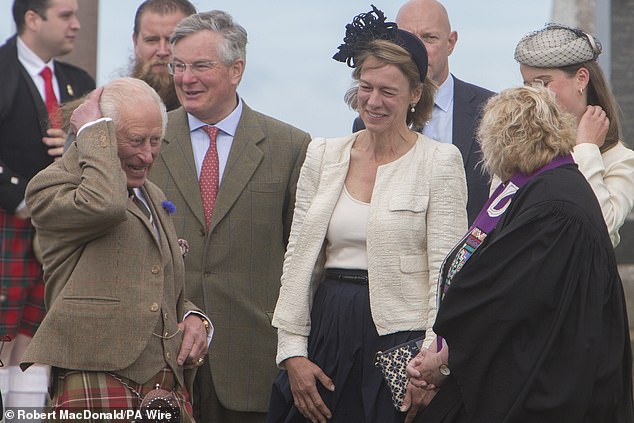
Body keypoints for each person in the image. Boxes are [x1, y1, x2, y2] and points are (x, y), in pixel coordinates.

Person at [268, 6, 467, 423]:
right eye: (366, 87)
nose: (373, 102)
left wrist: (432, 361)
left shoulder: (440, 161)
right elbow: (298, 259)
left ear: (415, 94)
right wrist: (292, 352)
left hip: (401, 347)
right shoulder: (323, 155)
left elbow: (449, 273)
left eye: (388, 91)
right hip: (327, 332)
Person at [404, 86, 634, 423]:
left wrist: (446, 359)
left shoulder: (552, 206)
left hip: (542, 391)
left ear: (502, 141)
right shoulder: (548, 189)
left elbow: (500, 298)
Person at [148, 10, 311, 423]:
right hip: (159, 364)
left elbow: (307, 260)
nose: (185, 78)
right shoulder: (147, 141)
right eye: (178, 66)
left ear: (236, 69)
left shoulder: (290, 146)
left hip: (253, 364)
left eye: (201, 65)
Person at [20, 77, 212, 420]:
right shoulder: (52, 186)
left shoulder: (153, 195)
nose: (148, 155)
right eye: (136, 141)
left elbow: (160, 285)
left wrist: (193, 316)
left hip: (164, 387)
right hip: (94, 379)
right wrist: (93, 130)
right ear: (102, 137)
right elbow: (105, 205)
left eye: (156, 141)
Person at [0, 0, 95, 410]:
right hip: (7, 221)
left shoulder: (79, 80)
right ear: (33, 19)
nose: (76, 25)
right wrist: (19, 197)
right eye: (66, 16)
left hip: (57, 232)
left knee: (37, 338)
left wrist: (74, 147)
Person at [352, 0, 494, 225]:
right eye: (406, 38)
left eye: (429, 38)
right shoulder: (368, 121)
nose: (416, 49)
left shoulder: (491, 111)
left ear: (451, 42)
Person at [513, 23, 634, 247]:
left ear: (581, 78)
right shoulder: (518, 149)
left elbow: (601, 227)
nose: (533, 95)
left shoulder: (621, 160)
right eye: (527, 85)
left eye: (543, 82)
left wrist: (586, 148)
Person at [130, 0, 196, 111]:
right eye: (152, 40)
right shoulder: (109, 110)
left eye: (172, 40)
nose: (162, 51)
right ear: (135, 42)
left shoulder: (211, 114)